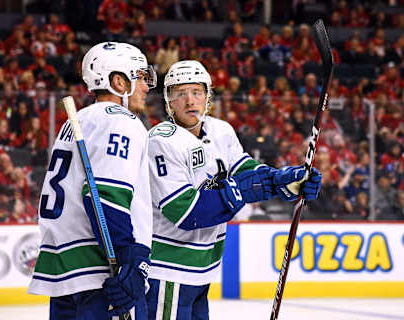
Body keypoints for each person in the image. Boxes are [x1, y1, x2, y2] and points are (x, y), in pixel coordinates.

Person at [146, 60, 322, 319]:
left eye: (196, 92)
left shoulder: (220, 131)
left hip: (202, 271)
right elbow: (185, 213)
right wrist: (242, 190)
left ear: (208, 96)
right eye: (179, 93)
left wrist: (285, 179)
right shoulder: (162, 140)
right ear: (168, 101)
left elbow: (245, 171)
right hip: (167, 271)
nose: (189, 100)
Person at [28, 42, 157, 320]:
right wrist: (129, 259)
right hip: (101, 273)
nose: (147, 86)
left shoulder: (79, 120)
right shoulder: (121, 121)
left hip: (64, 272)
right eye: (140, 77)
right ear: (119, 81)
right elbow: (106, 195)